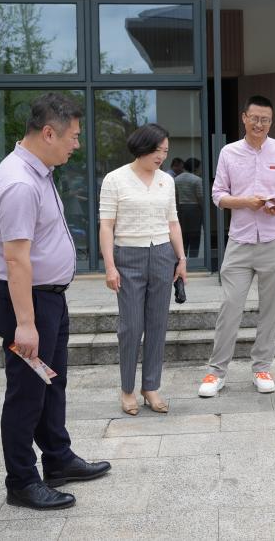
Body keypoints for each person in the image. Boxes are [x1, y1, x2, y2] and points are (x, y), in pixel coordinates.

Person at [0, 93, 111, 511]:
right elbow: (16, 259)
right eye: (73, 136)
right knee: (26, 393)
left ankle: (57, 458)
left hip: (47, 300)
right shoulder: (20, 183)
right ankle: (22, 481)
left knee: (52, 383)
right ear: (49, 133)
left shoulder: (38, 173)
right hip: (28, 303)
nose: (77, 144)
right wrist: (26, 323)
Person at [199, 95, 275, 397]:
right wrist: (245, 202)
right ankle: (216, 371)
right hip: (240, 240)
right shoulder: (229, 153)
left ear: (271, 121)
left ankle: (262, 368)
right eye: (254, 118)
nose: (259, 124)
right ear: (244, 117)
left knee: (271, 308)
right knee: (230, 306)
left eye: (265, 120)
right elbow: (218, 195)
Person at [99, 124, 188, 416]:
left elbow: (173, 222)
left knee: (158, 325)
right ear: (142, 147)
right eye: (157, 150)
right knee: (131, 327)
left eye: (165, 151)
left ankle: (151, 387)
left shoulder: (167, 181)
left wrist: (181, 258)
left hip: (162, 255)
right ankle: (127, 389)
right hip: (128, 257)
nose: (161, 156)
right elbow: (106, 225)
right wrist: (110, 266)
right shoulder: (115, 179)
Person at [175, 157, 204, 258]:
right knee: (195, 236)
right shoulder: (197, 180)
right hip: (194, 209)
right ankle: (193, 259)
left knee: (183, 236)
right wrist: (204, 210)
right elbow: (200, 197)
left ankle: (182, 259)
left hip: (181, 209)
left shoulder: (176, 179)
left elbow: (175, 196)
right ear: (195, 168)